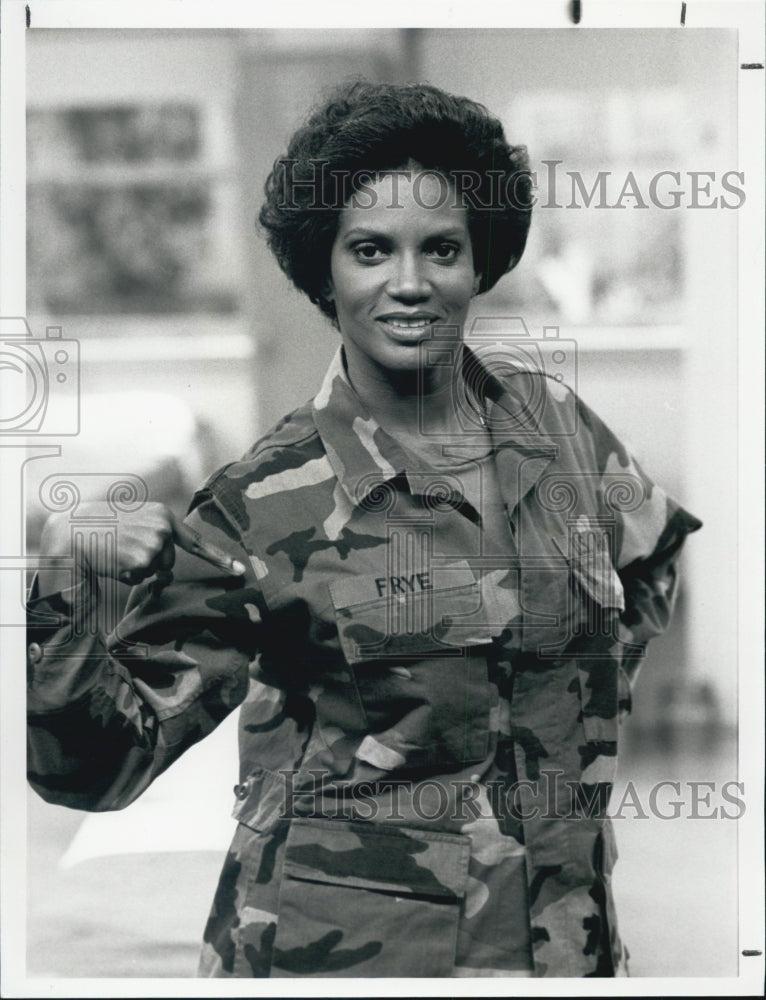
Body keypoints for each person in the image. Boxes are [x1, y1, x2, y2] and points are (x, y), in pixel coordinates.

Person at [27, 80, 702, 979]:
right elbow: (96, 770)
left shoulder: (556, 424)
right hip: (345, 959)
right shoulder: (261, 503)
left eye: (443, 249)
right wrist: (71, 582)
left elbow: (650, 557)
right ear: (327, 270)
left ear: (481, 261)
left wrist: (573, 699)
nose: (411, 283)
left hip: (565, 943)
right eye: (372, 250)